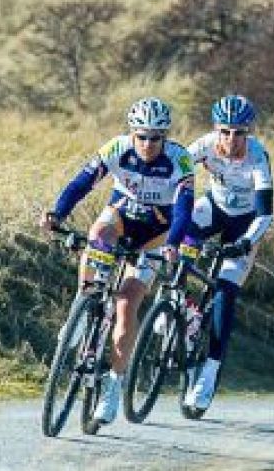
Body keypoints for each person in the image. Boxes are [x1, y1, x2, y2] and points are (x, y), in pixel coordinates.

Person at [39, 96, 197, 428]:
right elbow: (81, 183)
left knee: (127, 305)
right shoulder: (116, 148)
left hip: (157, 233)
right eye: (142, 136)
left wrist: (172, 245)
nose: (149, 144)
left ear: (165, 137)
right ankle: (82, 306)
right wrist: (58, 213)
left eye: (156, 137)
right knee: (97, 238)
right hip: (121, 218)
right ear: (132, 133)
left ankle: (114, 382)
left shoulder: (180, 160)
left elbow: (184, 209)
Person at [180, 94, 274, 412]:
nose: (231, 139)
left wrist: (247, 242)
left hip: (244, 225)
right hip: (214, 208)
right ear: (215, 129)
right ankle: (175, 306)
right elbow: (174, 167)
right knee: (178, 242)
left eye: (239, 132)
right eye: (225, 131)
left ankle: (209, 372)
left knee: (225, 292)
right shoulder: (205, 144)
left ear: (248, 132)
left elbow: (265, 214)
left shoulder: (258, 156)